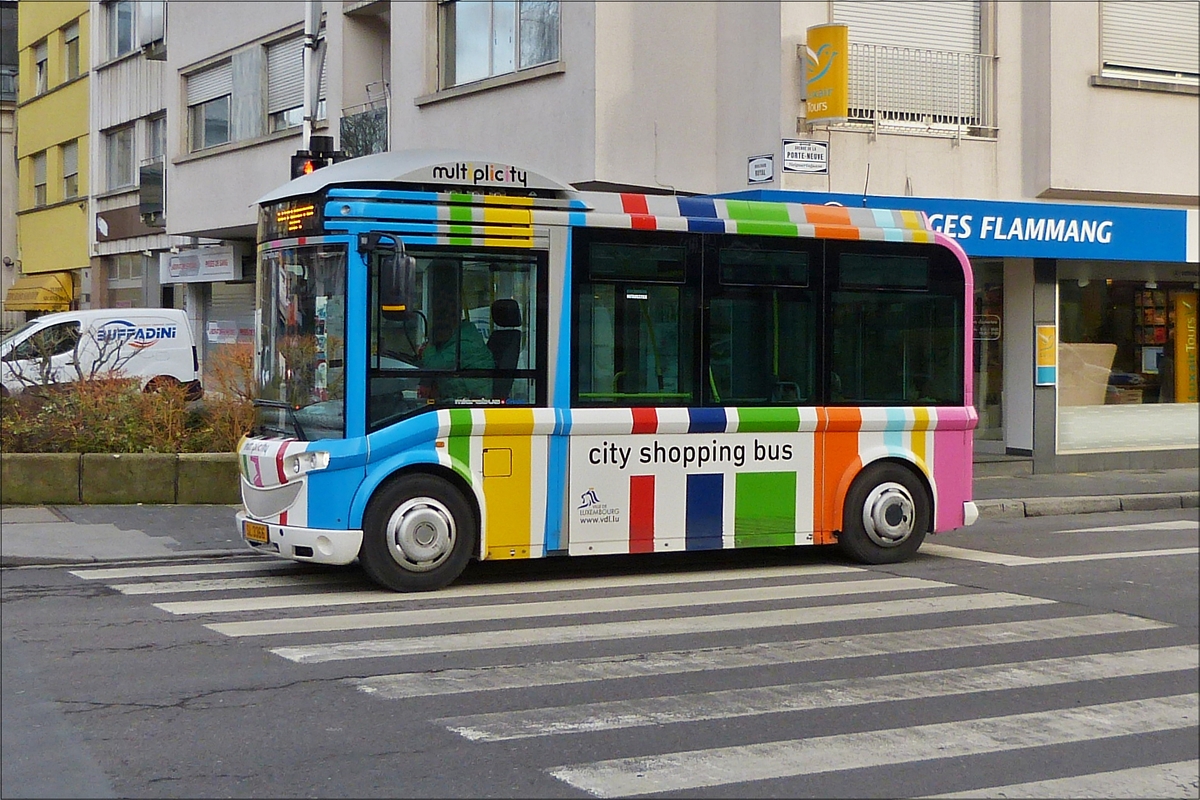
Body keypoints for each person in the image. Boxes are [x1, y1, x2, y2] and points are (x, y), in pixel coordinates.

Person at [418, 261, 493, 402]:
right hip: (462, 392)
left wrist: (428, 349)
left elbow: (433, 366)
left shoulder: (465, 342)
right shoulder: (458, 336)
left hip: (471, 398)